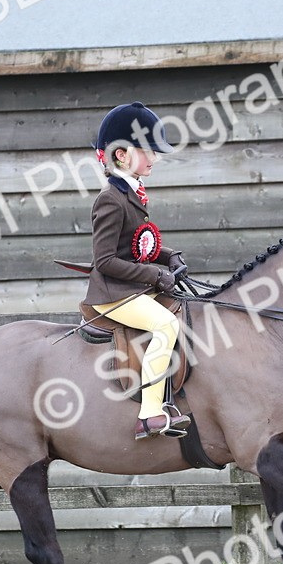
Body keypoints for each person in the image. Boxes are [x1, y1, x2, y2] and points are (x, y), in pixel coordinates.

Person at [84, 102, 191, 440]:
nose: (154, 159)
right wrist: (156, 276)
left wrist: (169, 257)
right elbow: (105, 261)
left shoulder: (131, 193)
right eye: (147, 152)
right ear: (122, 155)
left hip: (131, 287)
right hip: (112, 293)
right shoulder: (109, 200)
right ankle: (149, 414)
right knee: (166, 324)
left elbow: (134, 246)